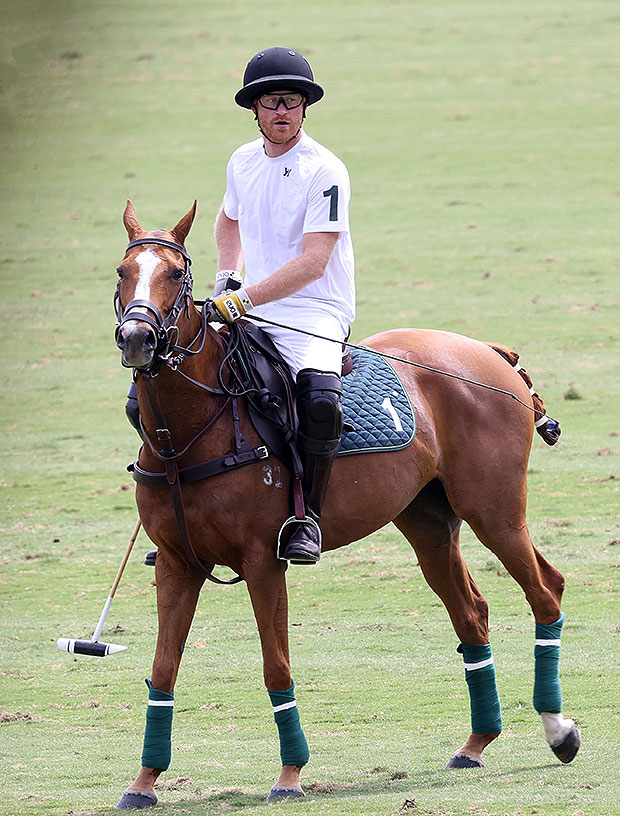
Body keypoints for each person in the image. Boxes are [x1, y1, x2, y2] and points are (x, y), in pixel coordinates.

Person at [208, 46, 355, 564]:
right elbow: (229, 220)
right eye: (271, 102)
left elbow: (315, 261)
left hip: (316, 311)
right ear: (255, 108)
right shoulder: (242, 161)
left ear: (305, 107)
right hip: (251, 306)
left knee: (318, 400)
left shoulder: (325, 169)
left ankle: (305, 519)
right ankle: (191, 510)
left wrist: (242, 297)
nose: (281, 112)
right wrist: (228, 275)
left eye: (291, 101)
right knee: (181, 380)